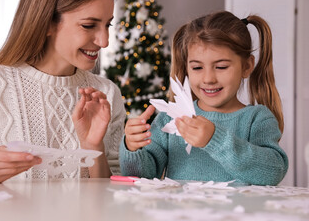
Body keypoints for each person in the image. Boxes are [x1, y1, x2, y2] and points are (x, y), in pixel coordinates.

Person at [0, 0, 126, 183]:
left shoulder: (107, 93)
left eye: (108, 25)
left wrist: (94, 148)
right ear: (47, 23)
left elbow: (114, 199)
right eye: (88, 25)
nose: (104, 41)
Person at [120, 11, 288, 186]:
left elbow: (273, 173)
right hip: (180, 212)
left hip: (238, 213)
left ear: (246, 66)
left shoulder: (257, 119)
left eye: (221, 67)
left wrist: (215, 139)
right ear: (187, 68)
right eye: (197, 67)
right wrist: (133, 147)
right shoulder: (170, 118)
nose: (208, 79)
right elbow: (142, 177)